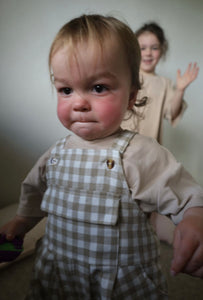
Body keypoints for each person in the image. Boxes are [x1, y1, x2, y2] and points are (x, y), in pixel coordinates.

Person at [0, 14, 203, 299]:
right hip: (57, 273)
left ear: (131, 97)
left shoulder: (141, 152)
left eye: (98, 88)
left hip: (119, 284)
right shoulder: (56, 153)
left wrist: (194, 220)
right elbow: (35, 192)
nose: (79, 102)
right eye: (66, 90)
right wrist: (21, 222)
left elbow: (188, 195)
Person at [121, 22, 199, 245]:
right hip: (122, 146)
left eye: (154, 47)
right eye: (142, 47)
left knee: (147, 197)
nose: (148, 52)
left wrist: (181, 89)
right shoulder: (127, 75)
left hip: (147, 151)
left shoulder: (164, 83)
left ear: (162, 50)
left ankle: (152, 234)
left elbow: (172, 112)